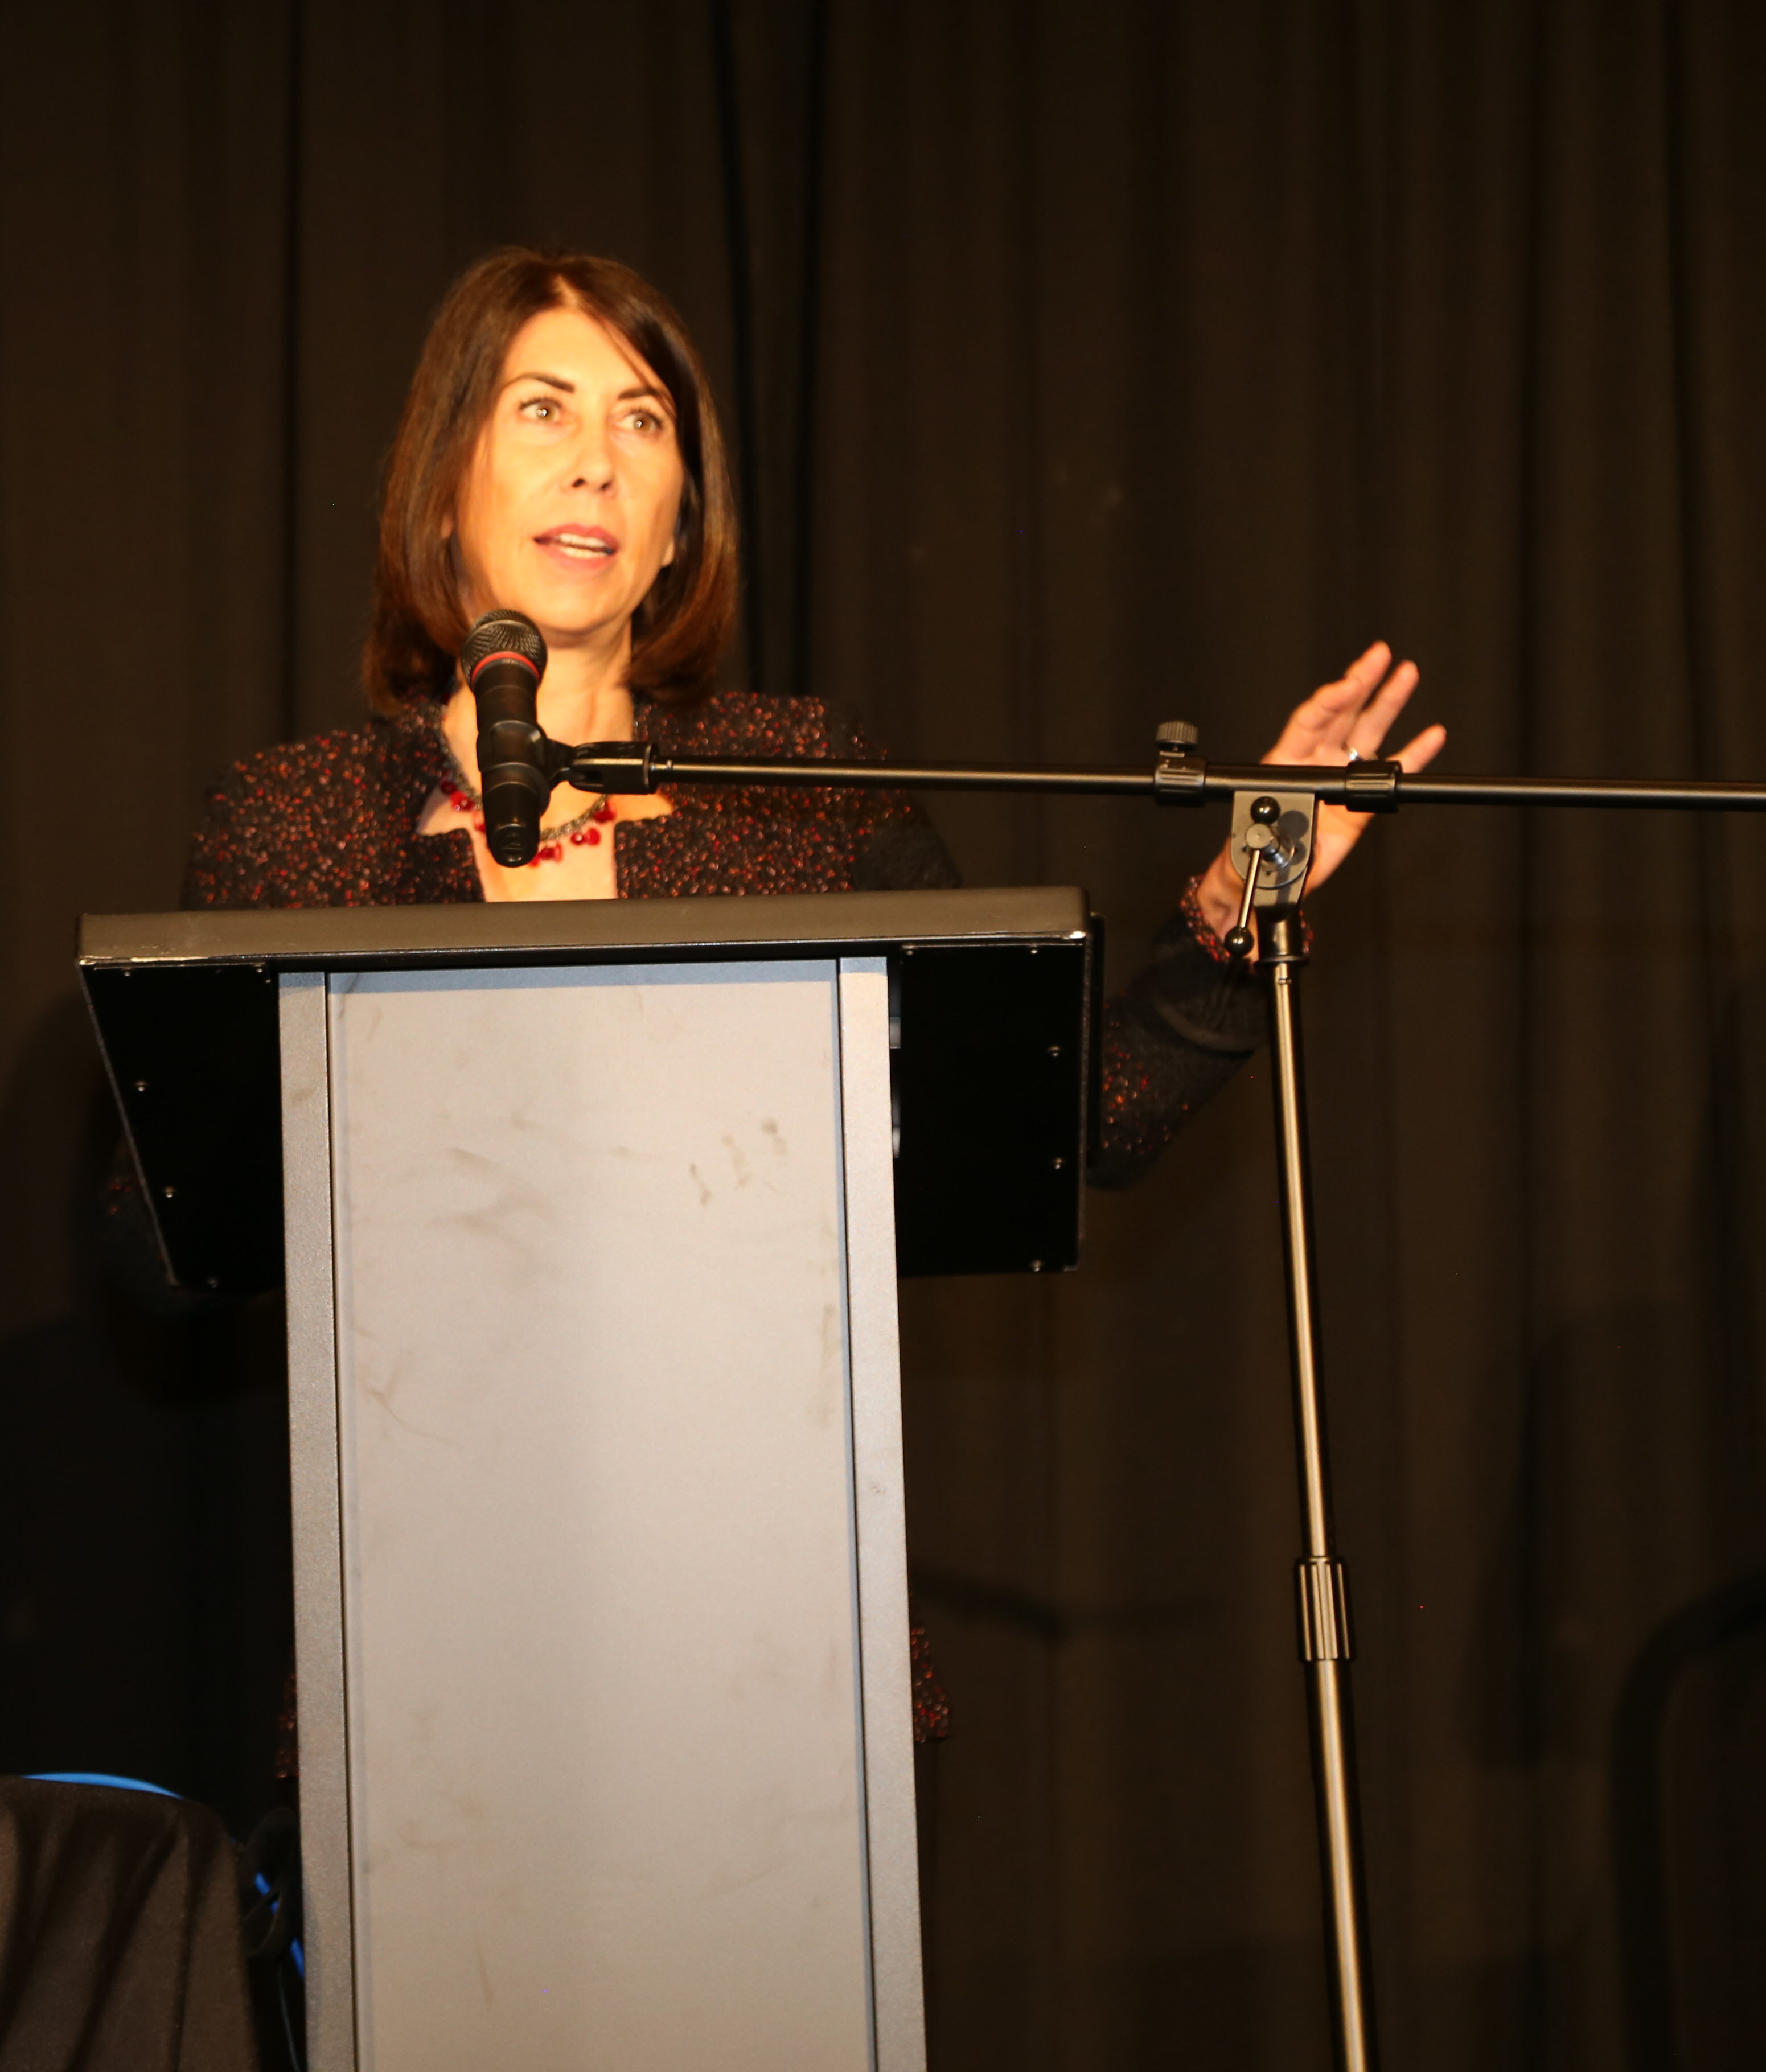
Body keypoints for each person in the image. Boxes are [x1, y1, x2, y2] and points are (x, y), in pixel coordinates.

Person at [185, 246, 1444, 1195]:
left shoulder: (798, 780)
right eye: (541, 408)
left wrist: (1245, 886)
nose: (596, 460)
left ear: (679, 522)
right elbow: (167, 1213)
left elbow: (1062, 1116)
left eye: (643, 421)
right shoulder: (296, 817)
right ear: (445, 482)